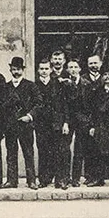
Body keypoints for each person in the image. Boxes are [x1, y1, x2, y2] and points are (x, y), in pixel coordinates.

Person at [3, 57, 40, 189]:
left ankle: (31, 181)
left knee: (28, 153)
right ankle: (11, 181)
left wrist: (29, 116)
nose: (16, 72)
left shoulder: (30, 85)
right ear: (10, 70)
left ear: (22, 70)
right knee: (11, 153)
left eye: (18, 69)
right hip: (11, 126)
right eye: (14, 69)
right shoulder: (6, 87)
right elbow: (3, 106)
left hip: (26, 125)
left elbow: (38, 103)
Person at [34, 60, 70, 189]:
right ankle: (44, 179)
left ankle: (60, 180)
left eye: (46, 68)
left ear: (51, 70)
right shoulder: (35, 85)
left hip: (56, 123)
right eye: (41, 69)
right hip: (41, 124)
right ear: (38, 71)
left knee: (58, 151)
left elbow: (64, 105)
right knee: (43, 151)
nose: (44, 71)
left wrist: (65, 122)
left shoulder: (58, 84)